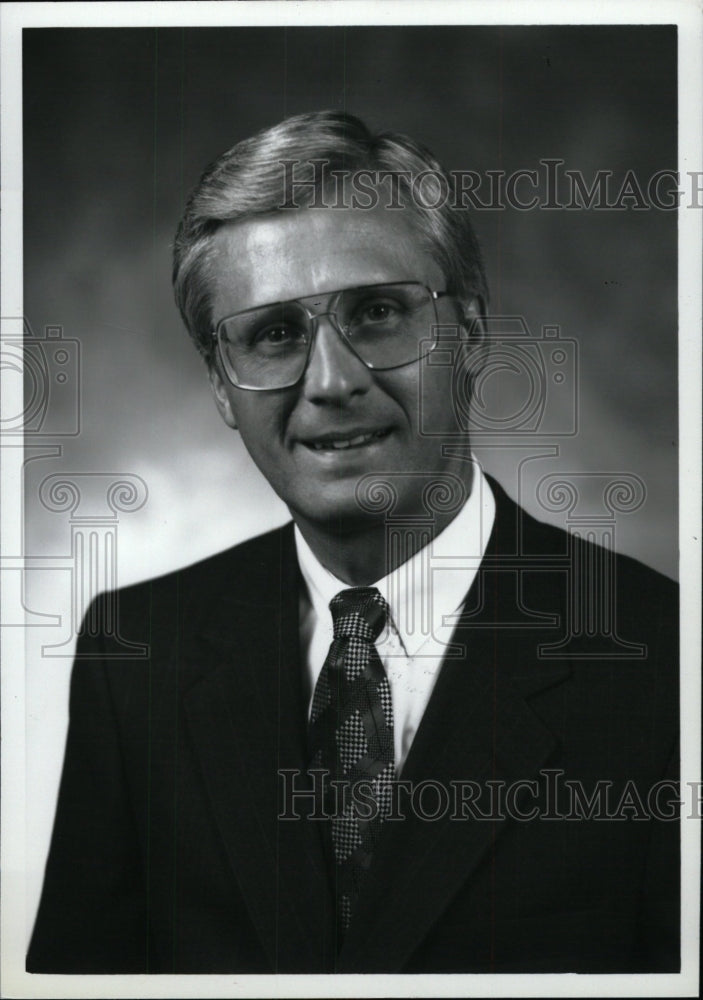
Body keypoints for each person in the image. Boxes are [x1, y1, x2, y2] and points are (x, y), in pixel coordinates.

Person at [27, 111, 679, 975]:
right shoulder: (138, 649)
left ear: (472, 335)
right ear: (223, 387)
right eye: (274, 334)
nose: (331, 382)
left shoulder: (665, 656)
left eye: (376, 312)